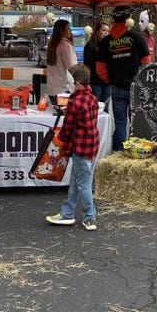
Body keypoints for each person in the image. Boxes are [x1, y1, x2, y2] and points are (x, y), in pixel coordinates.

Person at [45, 63, 100, 231]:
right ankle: (67, 213)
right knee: (76, 180)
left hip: (80, 146)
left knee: (83, 183)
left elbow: (67, 128)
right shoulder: (92, 97)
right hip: (92, 144)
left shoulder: (74, 102)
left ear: (76, 83)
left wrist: (59, 141)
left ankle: (89, 217)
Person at [96, 6, 151, 152]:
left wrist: (110, 80)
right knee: (135, 122)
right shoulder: (137, 37)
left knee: (120, 123)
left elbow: (100, 67)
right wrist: (141, 81)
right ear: (129, 18)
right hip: (136, 89)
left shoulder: (106, 42)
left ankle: (119, 152)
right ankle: (134, 152)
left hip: (117, 88)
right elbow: (146, 61)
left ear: (114, 19)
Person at [46, 19, 78, 104]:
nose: (70, 30)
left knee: (56, 114)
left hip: (52, 88)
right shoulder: (65, 45)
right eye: (68, 28)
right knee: (65, 115)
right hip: (64, 89)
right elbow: (72, 67)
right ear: (61, 30)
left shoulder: (52, 44)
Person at [83, 19, 111, 105]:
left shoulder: (110, 45)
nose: (106, 33)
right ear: (97, 31)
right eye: (103, 30)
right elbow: (87, 63)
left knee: (105, 106)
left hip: (107, 81)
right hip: (95, 81)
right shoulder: (90, 45)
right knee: (95, 106)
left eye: (108, 31)